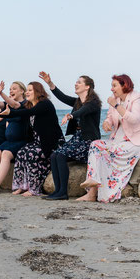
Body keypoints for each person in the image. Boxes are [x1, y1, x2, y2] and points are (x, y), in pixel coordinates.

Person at [77, 74, 140, 203]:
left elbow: (134, 119)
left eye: (114, 86)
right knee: (96, 145)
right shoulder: (114, 99)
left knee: (108, 153)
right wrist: (107, 123)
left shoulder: (136, 97)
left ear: (124, 85)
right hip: (117, 139)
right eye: (111, 86)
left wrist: (117, 106)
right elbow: (110, 117)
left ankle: (96, 193)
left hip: (134, 142)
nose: (112, 89)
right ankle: (93, 181)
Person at [0, 82, 64, 196]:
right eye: (27, 90)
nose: (27, 92)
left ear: (38, 92)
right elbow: (16, 108)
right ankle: (22, 186)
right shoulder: (30, 105)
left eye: (30, 90)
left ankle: (34, 188)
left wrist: (5, 114)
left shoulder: (45, 104)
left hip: (51, 143)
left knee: (31, 154)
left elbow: (25, 112)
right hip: (37, 142)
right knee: (21, 153)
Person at [39, 72, 102, 200]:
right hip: (77, 139)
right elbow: (62, 97)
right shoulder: (77, 102)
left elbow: (83, 111)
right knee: (54, 155)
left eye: (79, 82)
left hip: (88, 141)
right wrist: (50, 83)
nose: (76, 84)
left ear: (87, 87)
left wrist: (71, 115)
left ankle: (63, 192)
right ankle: (57, 191)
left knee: (61, 155)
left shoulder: (94, 102)